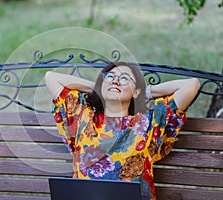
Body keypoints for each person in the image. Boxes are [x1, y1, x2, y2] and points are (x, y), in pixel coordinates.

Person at [44, 61, 200, 200]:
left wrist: (144, 92)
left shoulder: (149, 122)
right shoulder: (82, 117)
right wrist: (100, 88)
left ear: (136, 91)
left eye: (124, 78)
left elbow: (190, 86)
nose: (116, 81)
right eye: (110, 77)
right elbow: (51, 77)